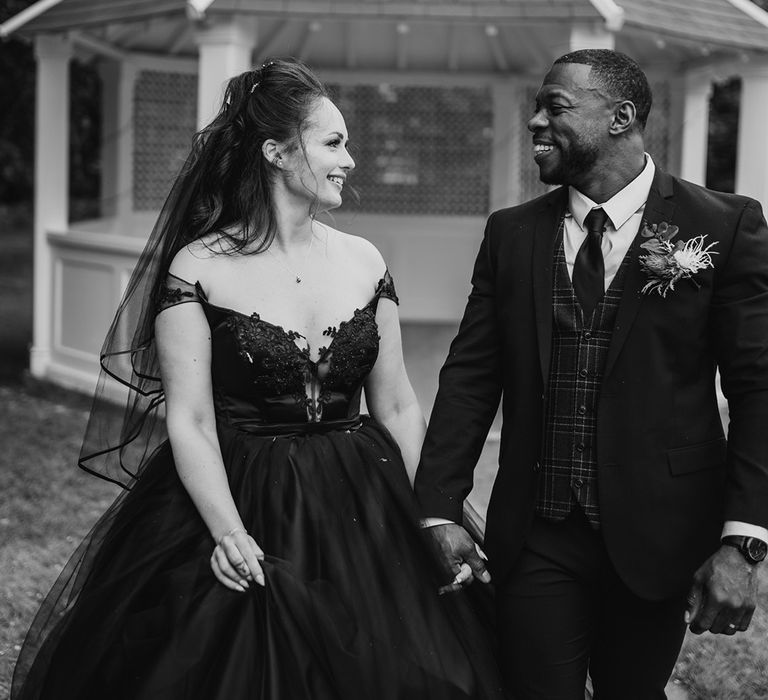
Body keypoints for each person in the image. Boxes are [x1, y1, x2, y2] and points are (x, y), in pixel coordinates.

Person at [12, 59, 504, 700]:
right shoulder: (199, 268)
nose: (349, 159)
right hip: (245, 489)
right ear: (275, 151)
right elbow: (189, 420)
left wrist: (435, 512)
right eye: (333, 142)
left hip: (364, 495)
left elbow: (399, 402)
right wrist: (227, 531)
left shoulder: (365, 261)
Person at [416, 49, 768, 699]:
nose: (534, 122)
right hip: (538, 531)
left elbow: (758, 388)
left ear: (620, 117)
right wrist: (438, 508)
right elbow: (470, 376)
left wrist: (742, 541)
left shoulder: (723, 225)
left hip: (661, 534)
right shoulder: (511, 235)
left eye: (556, 105)